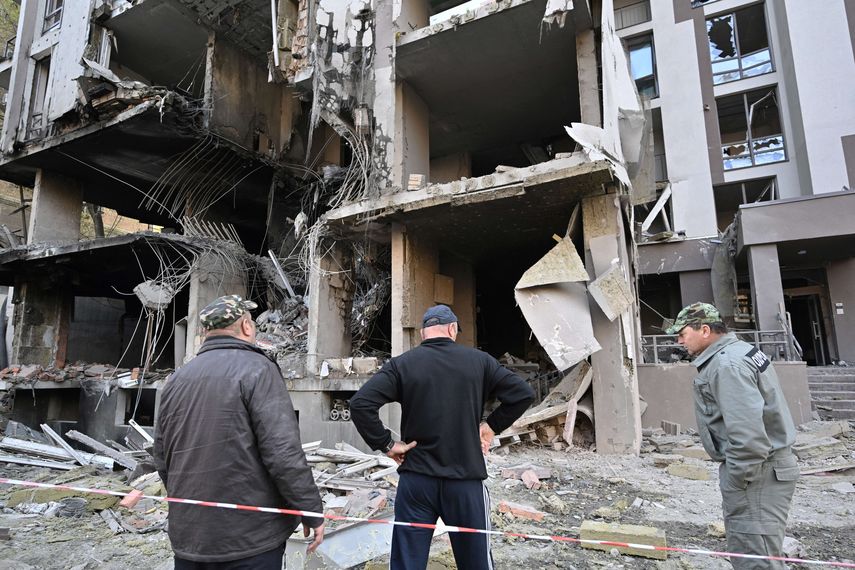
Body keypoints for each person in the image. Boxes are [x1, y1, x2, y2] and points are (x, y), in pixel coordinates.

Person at [349, 304, 535, 570]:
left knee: (406, 564)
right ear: (452, 329)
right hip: (465, 483)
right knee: (476, 564)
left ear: (423, 334)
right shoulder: (479, 362)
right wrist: (492, 425)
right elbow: (522, 394)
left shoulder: (403, 364)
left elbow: (360, 404)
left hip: (416, 483)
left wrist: (387, 444)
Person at [154, 294, 324, 569]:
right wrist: (311, 510)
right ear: (246, 326)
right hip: (250, 542)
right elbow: (283, 454)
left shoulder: (177, 379)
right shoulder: (259, 370)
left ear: (204, 332)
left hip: (190, 539)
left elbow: (162, 456)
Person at [668, 302, 799, 569]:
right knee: (760, 552)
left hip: (757, 474)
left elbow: (748, 436)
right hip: (764, 469)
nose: (679, 340)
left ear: (704, 330)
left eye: (682, 333)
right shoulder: (741, 352)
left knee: (755, 559)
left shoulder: (727, 364)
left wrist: (738, 479)